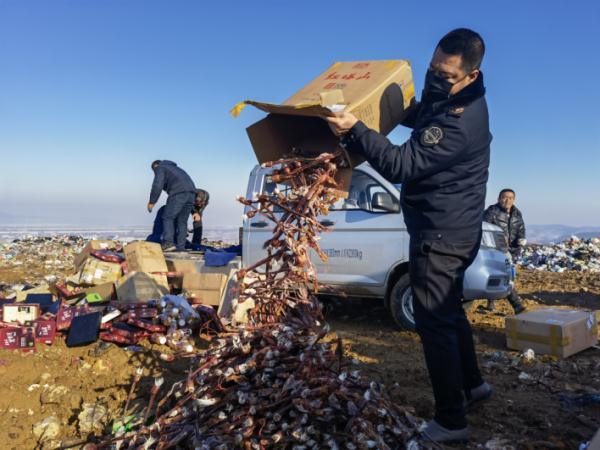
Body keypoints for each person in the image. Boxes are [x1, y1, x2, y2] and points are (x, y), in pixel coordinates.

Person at [324, 28, 493, 443]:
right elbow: (422, 114)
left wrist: (354, 131)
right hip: (455, 228)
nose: (436, 78)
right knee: (450, 312)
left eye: (446, 74)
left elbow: (401, 166)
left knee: (434, 322)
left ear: (471, 75)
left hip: (441, 235)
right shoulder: (452, 96)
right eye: (433, 68)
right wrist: (393, 107)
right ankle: (473, 386)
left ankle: (451, 421)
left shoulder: (461, 122)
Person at [483, 189, 526, 314]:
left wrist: (520, 242)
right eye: (504, 197)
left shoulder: (517, 213)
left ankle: (490, 303)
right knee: (505, 276)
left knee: (497, 275)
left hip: (511, 250)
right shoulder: (491, 212)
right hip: (495, 249)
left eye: (510, 198)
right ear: (498, 198)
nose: (507, 200)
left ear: (514, 200)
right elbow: (483, 228)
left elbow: (521, 228)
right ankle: (517, 305)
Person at [148, 160, 196, 251]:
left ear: (155, 166)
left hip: (178, 193)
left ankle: (168, 244)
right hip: (192, 194)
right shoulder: (175, 168)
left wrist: (152, 201)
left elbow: (157, 185)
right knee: (182, 221)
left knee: (167, 217)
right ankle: (181, 247)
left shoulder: (160, 167)